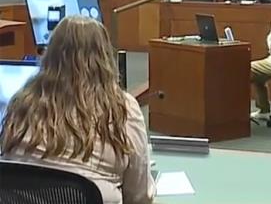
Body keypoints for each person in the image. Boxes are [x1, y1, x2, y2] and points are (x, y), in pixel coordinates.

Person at [0, 16, 155, 204]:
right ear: (104, 57)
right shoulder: (123, 108)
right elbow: (140, 197)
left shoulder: (21, 103)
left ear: (50, 55)